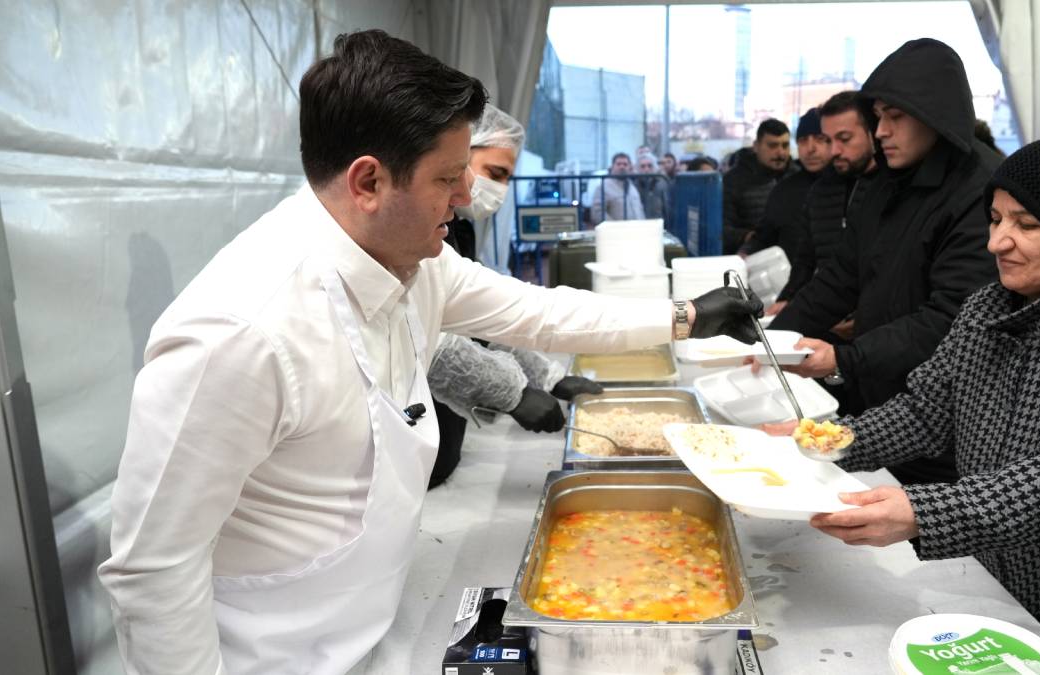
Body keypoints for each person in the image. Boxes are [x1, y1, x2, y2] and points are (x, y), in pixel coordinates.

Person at [98, 30, 762, 675]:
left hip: (380, 629)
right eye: (449, 176)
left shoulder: (417, 265)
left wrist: (688, 315)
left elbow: (541, 312)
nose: (468, 195)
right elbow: (152, 570)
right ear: (368, 182)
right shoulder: (240, 331)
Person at [801, 135, 1040, 675]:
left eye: (1025, 225)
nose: (997, 242)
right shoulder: (987, 307)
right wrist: (820, 443)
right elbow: (924, 412)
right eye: (996, 219)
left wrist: (921, 513)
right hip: (1006, 583)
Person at [769, 38, 1000, 484]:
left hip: (942, 422)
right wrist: (771, 345)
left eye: (895, 118)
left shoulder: (980, 191)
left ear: (936, 114)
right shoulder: (886, 182)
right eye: (877, 118)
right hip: (879, 398)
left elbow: (951, 319)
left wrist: (845, 357)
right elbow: (840, 276)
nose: (882, 133)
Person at [426, 104, 602, 488]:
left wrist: (546, 377)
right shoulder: (420, 228)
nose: (499, 190)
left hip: (445, 435)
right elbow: (423, 337)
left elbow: (484, 317)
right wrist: (513, 393)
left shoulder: (462, 229)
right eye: (495, 174)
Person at [764, 92, 879, 328]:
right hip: (830, 314)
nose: (834, 150)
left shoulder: (889, 189)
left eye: (844, 138)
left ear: (872, 133)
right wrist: (788, 298)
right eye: (829, 139)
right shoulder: (820, 191)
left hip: (876, 326)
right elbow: (806, 259)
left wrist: (864, 315)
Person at [743, 108, 830, 256]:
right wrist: (746, 252)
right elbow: (765, 236)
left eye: (819, 138)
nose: (810, 148)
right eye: (803, 141)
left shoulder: (853, 187)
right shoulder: (784, 190)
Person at [721, 118, 797, 253]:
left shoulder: (797, 177)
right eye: (773, 146)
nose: (780, 153)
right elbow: (722, 228)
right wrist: (748, 236)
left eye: (785, 145)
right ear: (756, 146)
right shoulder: (733, 181)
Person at [590, 152, 645, 223]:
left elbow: (640, 209)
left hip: (638, 230)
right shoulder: (603, 187)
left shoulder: (632, 187)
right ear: (612, 166)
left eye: (625, 164)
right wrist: (615, 226)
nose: (622, 167)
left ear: (629, 167)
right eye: (618, 164)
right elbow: (597, 213)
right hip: (617, 231)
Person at [635, 151, 672, 221]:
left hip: (658, 224)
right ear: (638, 168)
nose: (646, 169)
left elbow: (667, 208)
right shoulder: (634, 185)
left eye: (650, 166)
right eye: (643, 166)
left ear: (654, 167)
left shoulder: (662, 183)